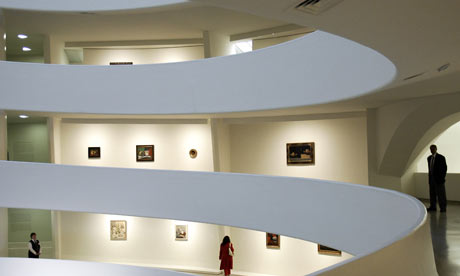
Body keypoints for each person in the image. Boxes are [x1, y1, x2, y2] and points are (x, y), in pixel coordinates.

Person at [427, 145, 448, 212]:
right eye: (431, 149)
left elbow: (444, 168)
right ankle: (433, 207)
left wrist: (442, 178)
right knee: (432, 193)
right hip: (431, 179)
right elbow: (430, 169)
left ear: (436, 149)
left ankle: (443, 208)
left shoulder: (441, 157)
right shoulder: (429, 158)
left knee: (441, 194)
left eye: (433, 149)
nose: (432, 150)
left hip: (439, 179)